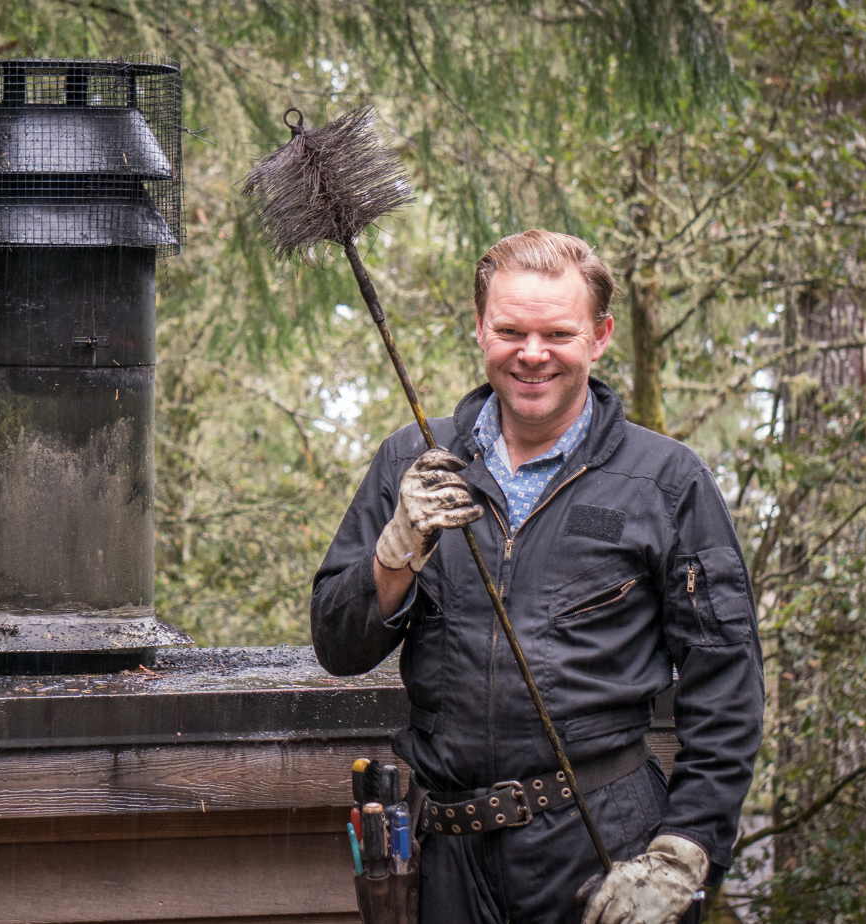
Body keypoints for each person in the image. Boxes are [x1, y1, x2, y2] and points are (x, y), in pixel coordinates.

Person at [311, 230, 764, 924]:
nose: (531, 354)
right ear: (479, 329)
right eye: (510, 330)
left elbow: (727, 688)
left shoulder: (666, 481)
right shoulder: (414, 461)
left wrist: (685, 851)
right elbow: (337, 646)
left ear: (601, 334)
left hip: (602, 849)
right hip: (442, 858)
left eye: (557, 332)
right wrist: (397, 549)